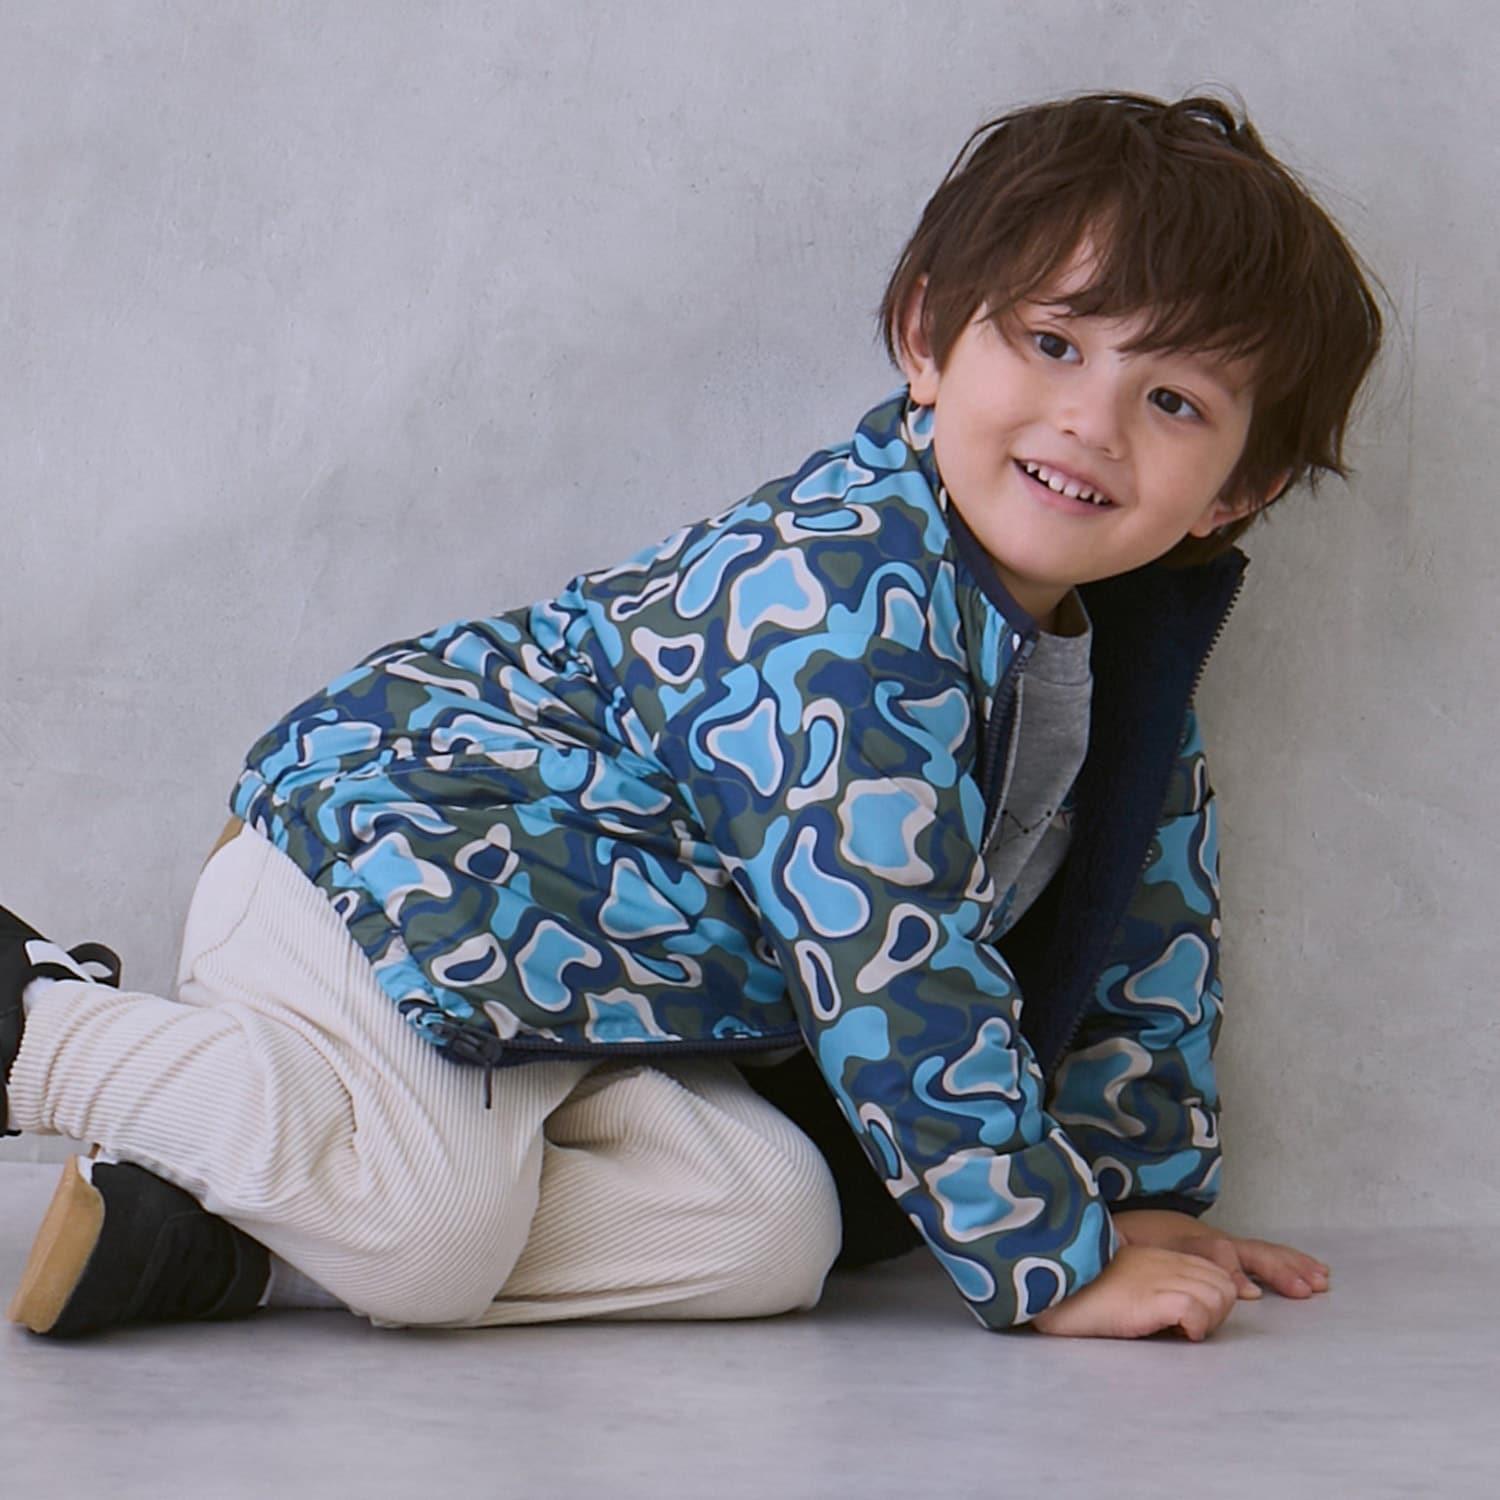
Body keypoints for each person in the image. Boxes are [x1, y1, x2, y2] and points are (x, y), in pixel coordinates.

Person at [1, 88, 1385, 1342]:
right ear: (926, 338)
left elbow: (1149, 935)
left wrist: (1133, 1195)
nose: (1091, 421)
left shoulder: (1122, 666)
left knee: (771, 1231)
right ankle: (36, 1027)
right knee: (432, 1237)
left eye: (1171, 399)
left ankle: (230, 1237)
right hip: (392, 864)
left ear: (1235, 492)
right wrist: (1056, 1261)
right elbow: (891, 956)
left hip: (569, 989)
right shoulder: (841, 598)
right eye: (1052, 342)